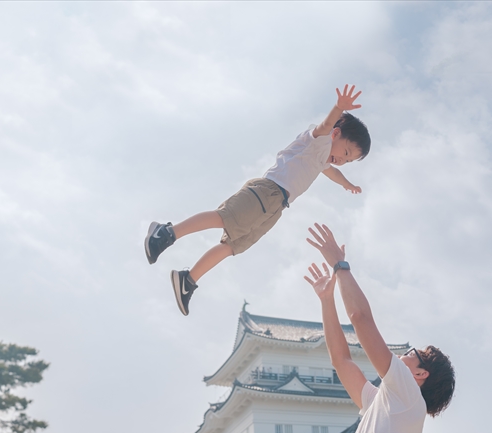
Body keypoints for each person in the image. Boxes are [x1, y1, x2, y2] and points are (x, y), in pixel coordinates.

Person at [144, 85, 371, 315]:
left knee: (232, 246)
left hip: (276, 207)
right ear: (336, 133)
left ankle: (188, 280)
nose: (342, 160)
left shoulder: (323, 160)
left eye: (349, 160)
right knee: (224, 218)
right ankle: (166, 233)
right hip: (268, 191)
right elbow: (324, 125)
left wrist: (347, 184)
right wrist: (338, 108)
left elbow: (333, 172)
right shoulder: (318, 140)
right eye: (346, 153)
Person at [305, 223, 456, 433]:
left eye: (414, 351)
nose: (404, 353)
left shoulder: (408, 397)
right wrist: (326, 300)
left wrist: (340, 265)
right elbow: (341, 360)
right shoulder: (384, 403)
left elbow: (361, 319)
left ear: (419, 374)